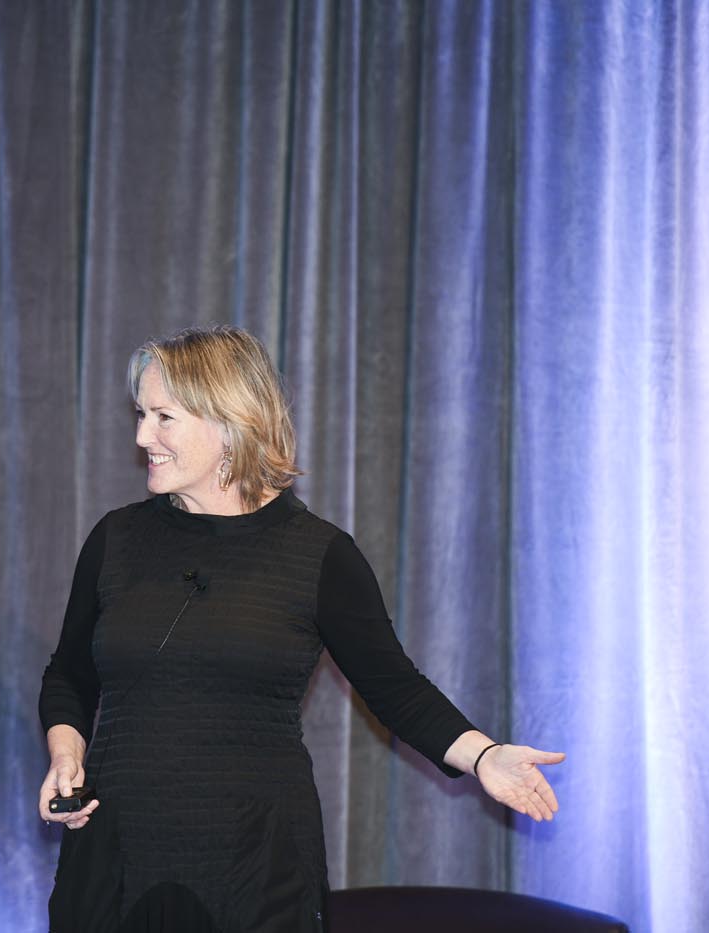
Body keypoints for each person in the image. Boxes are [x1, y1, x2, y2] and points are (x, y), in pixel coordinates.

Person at [38, 325, 564, 933]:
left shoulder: (318, 555)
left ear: (230, 422)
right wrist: (65, 755)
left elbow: (395, 688)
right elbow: (69, 674)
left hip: (255, 870)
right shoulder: (116, 539)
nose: (141, 436)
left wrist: (485, 756)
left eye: (164, 418)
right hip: (115, 860)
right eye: (141, 413)